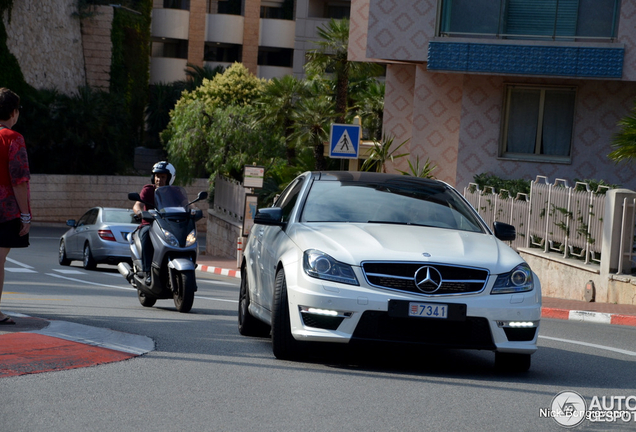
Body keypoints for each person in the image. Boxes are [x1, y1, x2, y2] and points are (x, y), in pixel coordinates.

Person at [0, 88, 30, 325]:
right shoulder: (13, 138)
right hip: (4, 209)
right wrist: (26, 216)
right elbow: (19, 181)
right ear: (14, 112)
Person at [133, 161, 176, 285]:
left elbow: (186, 203)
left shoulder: (174, 192)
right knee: (146, 235)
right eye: (157, 176)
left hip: (168, 226)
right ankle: (147, 272)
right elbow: (138, 204)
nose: (159, 180)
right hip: (149, 225)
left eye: (163, 177)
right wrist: (140, 212)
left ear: (170, 178)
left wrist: (193, 210)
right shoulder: (148, 190)